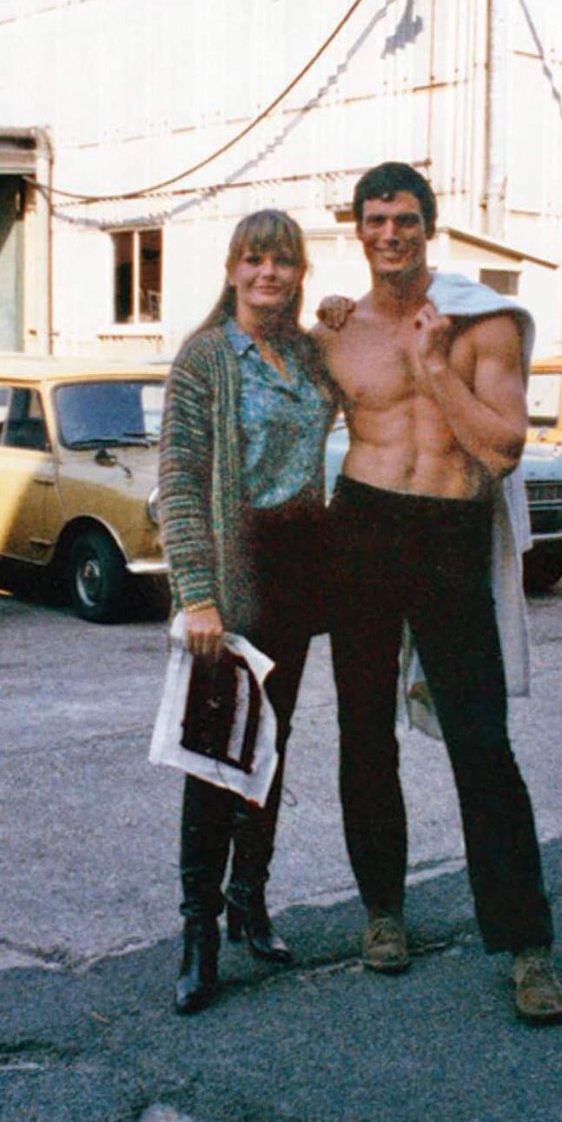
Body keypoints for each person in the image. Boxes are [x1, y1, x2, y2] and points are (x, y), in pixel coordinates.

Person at [313, 161, 562, 1025]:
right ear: (358, 230)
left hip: (450, 533)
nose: (390, 233)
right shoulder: (338, 335)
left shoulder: (480, 322)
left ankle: (526, 945)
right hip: (364, 523)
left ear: (430, 225)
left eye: (405, 219)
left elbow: (500, 451)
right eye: (376, 220)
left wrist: (430, 370)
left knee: (480, 740)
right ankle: (383, 909)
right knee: (361, 728)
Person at [158, 208, 336, 1015]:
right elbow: (183, 481)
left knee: (271, 745)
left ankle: (249, 900)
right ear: (233, 268)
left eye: (284, 262)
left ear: (300, 273)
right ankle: (197, 929)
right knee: (217, 751)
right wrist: (195, 592)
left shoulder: (306, 355)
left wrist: (346, 319)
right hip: (237, 572)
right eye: (255, 260)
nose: (269, 274)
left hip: (302, 569)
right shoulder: (204, 360)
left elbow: (360, 381)